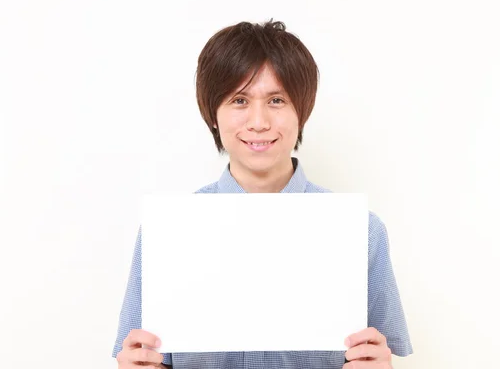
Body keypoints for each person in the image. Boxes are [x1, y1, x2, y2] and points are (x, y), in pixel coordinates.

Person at [112, 19, 413, 369]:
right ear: (213, 114)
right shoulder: (166, 233)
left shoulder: (361, 232)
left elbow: (378, 354)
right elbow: (142, 355)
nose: (259, 122)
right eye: (239, 100)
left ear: (302, 110)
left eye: (276, 100)